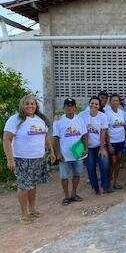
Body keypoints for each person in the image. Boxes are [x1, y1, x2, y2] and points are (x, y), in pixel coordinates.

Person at [3, 94, 54, 224]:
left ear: (36, 106)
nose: (30, 106)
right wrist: (10, 159)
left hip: (38, 158)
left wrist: (51, 151)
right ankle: (24, 214)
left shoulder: (40, 120)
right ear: (22, 105)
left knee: (33, 185)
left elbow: (45, 136)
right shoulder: (15, 119)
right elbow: (7, 139)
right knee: (24, 186)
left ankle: (32, 209)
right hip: (21, 159)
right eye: (27, 103)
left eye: (32, 103)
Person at [53, 98, 88, 206]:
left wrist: (86, 148)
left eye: (72, 106)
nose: (70, 108)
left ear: (75, 107)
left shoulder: (80, 120)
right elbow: (56, 138)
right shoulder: (58, 121)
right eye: (67, 106)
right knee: (64, 176)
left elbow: (85, 135)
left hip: (78, 153)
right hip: (65, 155)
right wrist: (58, 153)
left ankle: (74, 194)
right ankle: (66, 196)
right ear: (64, 107)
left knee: (77, 174)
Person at [79, 96, 111, 195]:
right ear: (89, 104)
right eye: (92, 103)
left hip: (99, 145)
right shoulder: (82, 115)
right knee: (90, 167)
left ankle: (105, 186)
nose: (94, 105)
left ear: (99, 106)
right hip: (87, 147)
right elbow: (83, 132)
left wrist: (102, 148)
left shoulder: (103, 116)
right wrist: (86, 148)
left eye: (96, 104)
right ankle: (95, 188)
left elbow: (103, 132)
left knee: (104, 164)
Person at [105, 94, 126, 190]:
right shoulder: (107, 113)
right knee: (112, 162)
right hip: (112, 141)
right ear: (110, 102)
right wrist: (109, 145)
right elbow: (105, 130)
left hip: (121, 140)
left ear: (119, 102)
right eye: (113, 100)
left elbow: (124, 126)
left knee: (118, 162)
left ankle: (115, 182)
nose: (115, 102)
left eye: (117, 100)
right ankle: (108, 181)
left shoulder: (122, 112)